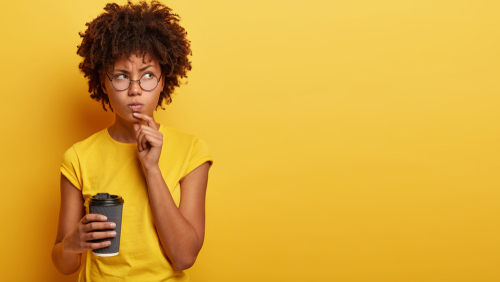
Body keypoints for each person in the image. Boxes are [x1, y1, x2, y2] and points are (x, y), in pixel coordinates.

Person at [51, 1, 213, 281]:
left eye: (148, 75)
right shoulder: (78, 158)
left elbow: (185, 257)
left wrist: (151, 168)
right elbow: (65, 264)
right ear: (104, 83)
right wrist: (73, 242)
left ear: (164, 81)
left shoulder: (192, 151)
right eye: (122, 76)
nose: (135, 90)